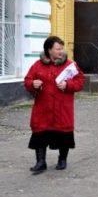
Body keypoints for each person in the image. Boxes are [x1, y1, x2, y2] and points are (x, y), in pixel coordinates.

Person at [24, 36, 85, 174]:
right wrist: (32, 84)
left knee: (64, 135)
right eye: (58, 49)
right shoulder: (37, 65)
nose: (61, 51)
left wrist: (68, 85)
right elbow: (28, 80)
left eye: (62, 48)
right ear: (49, 50)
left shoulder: (69, 65)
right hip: (43, 107)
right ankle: (41, 162)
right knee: (40, 134)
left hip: (62, 108)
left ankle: (62, 160)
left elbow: (80, 81)